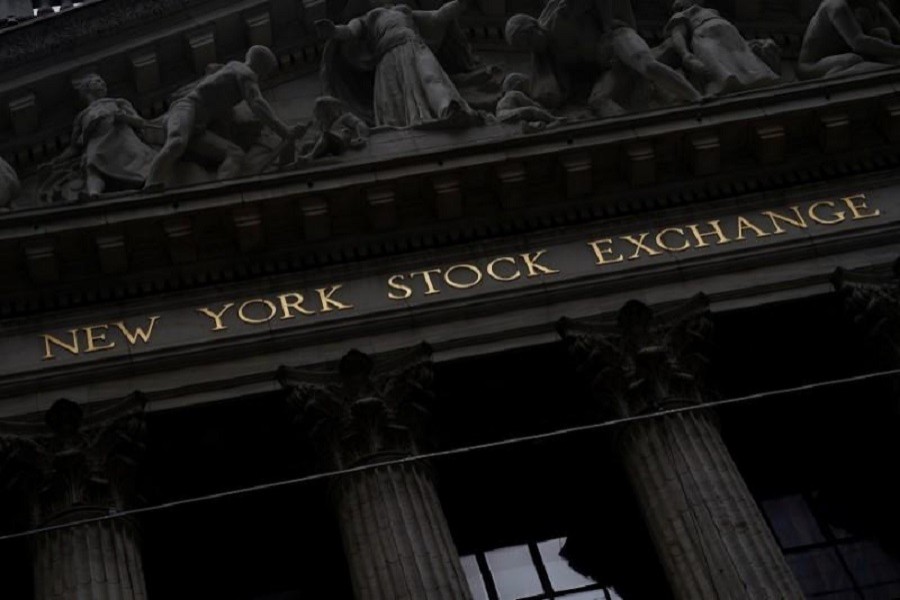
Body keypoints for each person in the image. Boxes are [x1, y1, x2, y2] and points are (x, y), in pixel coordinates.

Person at [144, 45, 304, 190]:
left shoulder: (233, 69)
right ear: (262, 66)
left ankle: (220, 191)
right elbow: (257, 103)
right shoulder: (244, 71)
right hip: (186, 108)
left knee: (235, 153)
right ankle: (151, 183)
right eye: (267, 71)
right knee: (177, 142)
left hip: (198, 129)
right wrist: (284, 130)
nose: (264, 76)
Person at [505, 0, 702, 117]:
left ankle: (697, 98)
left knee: (648, 66)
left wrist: (608, 24)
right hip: (607, 66)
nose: (531, 46)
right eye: (525, 46)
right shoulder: (551, 58)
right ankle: (628, 129)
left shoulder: (560, 14)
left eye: (528, 38)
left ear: (534, 25)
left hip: (616, 38)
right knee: (597, 100)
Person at [315, 0, 481, 128]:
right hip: (389, 55)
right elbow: (349, 32)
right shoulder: (368, 18)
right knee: (395, 95)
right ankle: (404, 122)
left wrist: (459, 4)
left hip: (414, 45)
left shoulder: (404, 10)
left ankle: (448, 109)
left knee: (432, 77)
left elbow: (437, 16)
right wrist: (333, 31)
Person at [46, 73, 157, 199]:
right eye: (97, 81)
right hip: (98, 145)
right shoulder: (82, 116)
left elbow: (140, 122)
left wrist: (124, 117)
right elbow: (74, 147)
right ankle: (94, 194)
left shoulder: (119, 103)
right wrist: (57, 161)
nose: (102, 83)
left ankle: (151, 182)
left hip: (124, 141)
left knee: (142, 160)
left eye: (102, 81)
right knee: (92, 166)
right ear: (87, 88)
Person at [664, 0, 780, 96]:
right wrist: (686, 55)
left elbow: (741, 42)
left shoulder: (712, 12)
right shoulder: (683, 14)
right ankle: (725, 83)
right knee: (717, 61)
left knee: (742, 59)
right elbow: (678, 34)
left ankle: (756, 78)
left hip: (730, 35)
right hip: (707, 36)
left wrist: (754, 44)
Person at [798, 0, 900, 79]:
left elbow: (895, 30)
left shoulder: (871, 4)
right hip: (813, 66)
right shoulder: (836, 6)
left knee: (880, 32)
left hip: (851, 54)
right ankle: (833, 77)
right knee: (851, 59)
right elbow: (859, 43)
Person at [495, 73, 565, 132]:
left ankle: (535, 126)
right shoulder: (515, 93)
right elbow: (530, 104)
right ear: (519, 84)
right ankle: (554, 119)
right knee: (531, 109)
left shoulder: (506, 97)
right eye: (527, 85)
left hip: (503, 116)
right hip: (506, 113)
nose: (528, 88)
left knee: (524, 119)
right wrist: (544, 111)